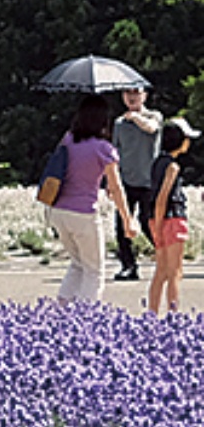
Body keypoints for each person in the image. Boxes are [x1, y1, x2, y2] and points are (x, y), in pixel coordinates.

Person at [47, 94, 136, 303]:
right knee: (95, 270)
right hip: (84, 212)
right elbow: (116, 187)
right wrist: (127, 219)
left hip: (58, 209)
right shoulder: (104, 149)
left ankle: (61, 311)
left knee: (77, 263)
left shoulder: (68, 139)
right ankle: (86, 321)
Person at [111, 87, 164, 282]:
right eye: (127, 93)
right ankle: (128, 265)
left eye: (136, 92)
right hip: (126, 180)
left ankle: (165, 255)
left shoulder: (154, 115)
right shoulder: (119, 123)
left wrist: (135, 116)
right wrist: (111, 181)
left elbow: (151, 128)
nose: (132, 97)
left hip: (150, 180)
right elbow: (115, 153)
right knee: (122, 225)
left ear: (145, 96)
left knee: (147, 221)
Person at [148, 118, 199, 315]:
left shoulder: (156, 163)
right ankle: (173, 315)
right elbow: (163, 197)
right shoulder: (173, 167)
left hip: (157, 219)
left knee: (161, 272)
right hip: (172, 219)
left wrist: (155, 225)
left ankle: (151, 313)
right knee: (175, 272)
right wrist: (160, 228)